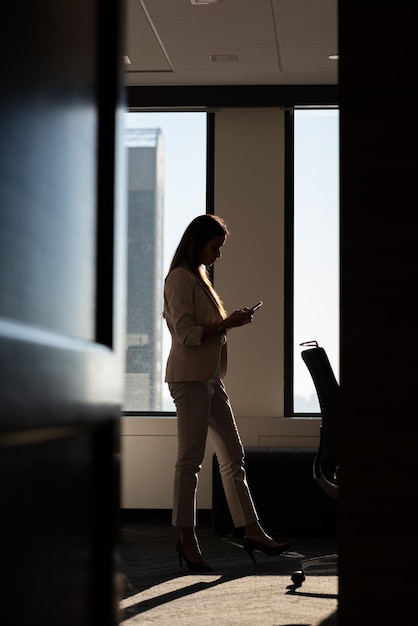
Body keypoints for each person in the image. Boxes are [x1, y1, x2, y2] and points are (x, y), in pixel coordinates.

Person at [163, 214, 291, 572]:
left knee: (233, 454)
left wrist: (226, 324)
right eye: (215, 247)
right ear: (197, 243)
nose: (218, 255)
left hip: (209, 379)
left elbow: (206, 332)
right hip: (189, 379)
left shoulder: (199, 278)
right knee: (190, 461)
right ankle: (186, 539)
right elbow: (187, 335)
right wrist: (226, 323)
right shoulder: (179, 279)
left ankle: (252, 530)